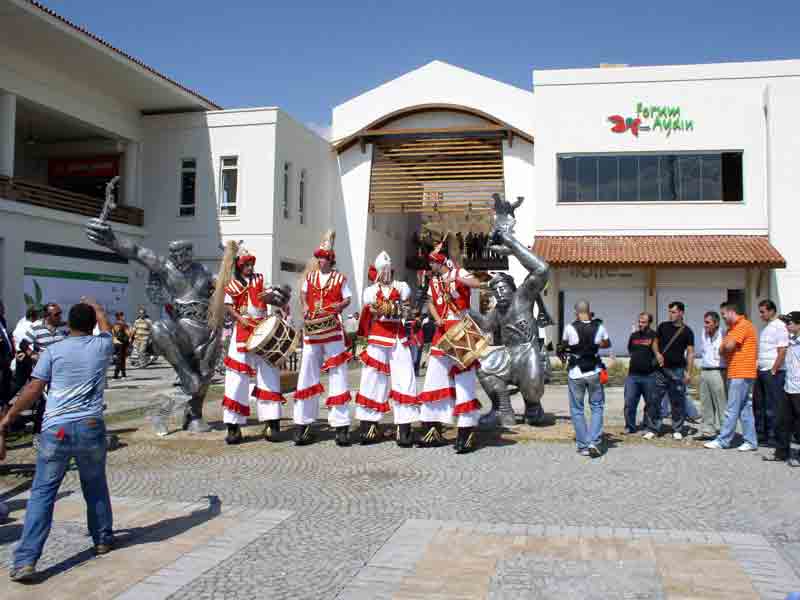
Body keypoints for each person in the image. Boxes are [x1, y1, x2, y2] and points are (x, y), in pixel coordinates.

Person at [1, 298, 114, 582]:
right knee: (95, 485)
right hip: (90, 425)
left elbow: (34, 388)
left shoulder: (54, 351)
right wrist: (98, 308)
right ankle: (102, 538)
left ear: (68, 324)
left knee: (42, 493)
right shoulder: (102, 346)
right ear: (92, 323)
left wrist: (9, 416)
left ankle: (26, 560)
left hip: (56, 429)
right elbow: (106, 327)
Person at [221, 246, 291, 445]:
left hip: (262, 330)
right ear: (239, 266)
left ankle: (272, 423)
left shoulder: (260, 279)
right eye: (247, 265)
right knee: (236, 378)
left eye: (252, 264)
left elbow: (272, 296)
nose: (250, 267)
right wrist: (238, 318)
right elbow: (228, 305)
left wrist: (276, 298)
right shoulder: (232, 284)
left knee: (269, 374)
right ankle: (233, 426)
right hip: (242, 331)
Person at [418, 242, 482, 453]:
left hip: (461, 329)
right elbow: (430, 301)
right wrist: (436, 317)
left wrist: (457, 279)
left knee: (464, 380)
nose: (430, 266)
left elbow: (477, 283)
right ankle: (432, 429)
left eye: (432, 263)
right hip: (441, 331)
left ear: (441, 261)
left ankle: (466, 431)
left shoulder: (458, 272)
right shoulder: (434, 281)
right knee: (434, 378)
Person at [293, 230, 353, 446]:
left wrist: (340, 306)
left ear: (331, 260)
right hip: (312, 331)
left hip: (333, 330)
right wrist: (305, 306)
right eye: (319, 257)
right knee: (307, 373)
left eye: (324, 258)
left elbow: (348, 298)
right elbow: (303, 293)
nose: (321, 260)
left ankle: (341, 426)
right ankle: (303, 424)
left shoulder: (340, 278)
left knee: (338, 374)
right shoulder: (310, 277)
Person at [355, 251, 418, 447]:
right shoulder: (370, 291)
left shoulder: (402, 287)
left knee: (405, 378)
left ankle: (404, 427)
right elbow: (371, 310)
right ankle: (369, 426)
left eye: (387, 269)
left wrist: (402, 310)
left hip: (398, 337)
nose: (385, 273)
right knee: (372, 380)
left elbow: (409, 309)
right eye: (381, 269)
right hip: (378, 337)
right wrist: (383, 309)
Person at [704, 302, 758, 451]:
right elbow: (724, 348)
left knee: (732, 408)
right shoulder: (733, 328)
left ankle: (723, 440)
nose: (723, 318)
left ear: (731, 312)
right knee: (745, 409)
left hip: (741, 372)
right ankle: (751, 441)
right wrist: (725, 346)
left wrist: (724, 346)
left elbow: (727, 347)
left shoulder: (742, 325)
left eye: (723, 315)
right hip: (739, 372)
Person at [562, 300, 610, 457]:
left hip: (575, 373)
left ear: (576, 312)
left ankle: (583, 445)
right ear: (589, 311)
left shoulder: (569, 328)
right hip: (594, 372)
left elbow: (563, 347)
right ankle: (594, 441)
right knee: (597, 406)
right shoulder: (600, 327)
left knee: (577, 409)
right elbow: (607, 343)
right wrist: (596, 344)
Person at [643, 301, 695, 441]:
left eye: (673, 312)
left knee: (677, 401)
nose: (670, 314)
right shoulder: (663, 326)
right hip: (660, 370)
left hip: (677, 371)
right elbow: (655, 342)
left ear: (681, 313)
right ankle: (653, 428)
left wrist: (688, 372)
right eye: (669, 312)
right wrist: (657, 354)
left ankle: (677, 429)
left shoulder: (687, 331)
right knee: (655, 400)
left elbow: (690, 353)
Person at [29, 303, 68, 445]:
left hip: (60, 374)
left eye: (60, 313)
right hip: (44, 375)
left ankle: (60, 434)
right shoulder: (36, 329)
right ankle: (37, 434)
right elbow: (23, 344)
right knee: (45, 404)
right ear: (47, 316)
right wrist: (33, 355)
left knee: (61, 404)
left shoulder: (62, 330)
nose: (60, 316)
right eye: (56, 314)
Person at [755, 299, 788, 444]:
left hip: (773, 372)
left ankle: (774, 436)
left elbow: (782, 350)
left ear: (772, 311)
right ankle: (762, 434)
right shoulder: (766, 327)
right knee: (760, 404)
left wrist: (774, 369)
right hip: (762, 370)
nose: (761, 315)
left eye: (763, 312)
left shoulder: (780, 326)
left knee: (772, 406)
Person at [770, 311, 800, 465]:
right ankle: (781, 453)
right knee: (782, 421)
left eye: (789, 323)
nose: (786, 325)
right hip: (788, 387)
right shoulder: (791, 340)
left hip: (799, 389)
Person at [623, 313, 656, 434]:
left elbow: (657, 353)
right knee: (629, 402)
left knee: (650, 404)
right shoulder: (634, 335)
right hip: (633, 376)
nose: (640, 324)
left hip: (649, 376)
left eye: (643, 322)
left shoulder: (654, 336)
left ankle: (648, 427)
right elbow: (630, 350)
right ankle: (630, 426)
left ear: (649, 323)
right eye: (640, 321)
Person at [697, 311, 727, 439]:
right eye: (705, 322)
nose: (705, 325)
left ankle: (725, 432)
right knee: (706, 403)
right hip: (705, 370)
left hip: (718, 371)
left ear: (716, 323)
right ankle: (707, 431)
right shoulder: (703, 333)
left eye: (708, 322)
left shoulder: (724, 334)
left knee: (721, 403)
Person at [0, 300, 13, 410]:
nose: (3, 308)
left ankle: (5, 405)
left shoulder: (2, 320)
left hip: (5, 357)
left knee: (6, 383)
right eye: (1, 306)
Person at [111, 312, 131, 379]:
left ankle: (123, 374)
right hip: (122, 344)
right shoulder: (123, 324)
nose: (123, 317)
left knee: (120, 359)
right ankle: (115, 375)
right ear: (120, 317)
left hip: (116, 343)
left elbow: (113, 334)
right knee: (121, 360)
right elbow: (128, 333)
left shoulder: (114, 325)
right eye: (122, 315)